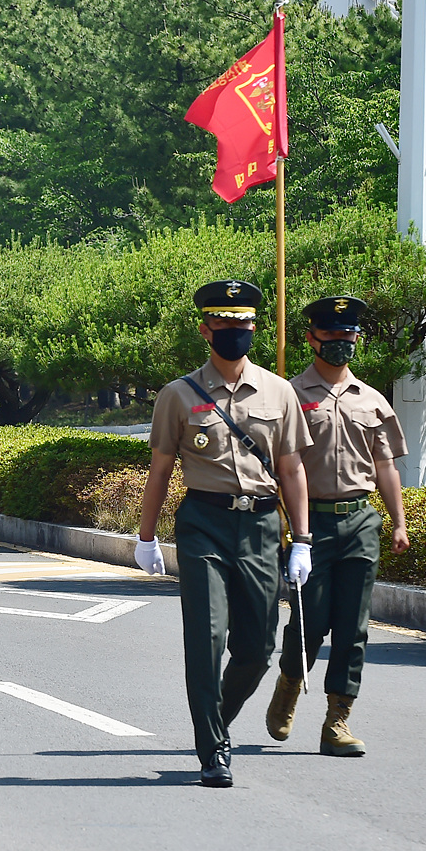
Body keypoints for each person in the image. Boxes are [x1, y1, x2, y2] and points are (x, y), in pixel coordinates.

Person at [134, 279, 312, 787]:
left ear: (254, 328)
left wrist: (302, 539)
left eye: (243, 324)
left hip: (260, 525)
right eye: (224, 324)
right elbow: (161, 469)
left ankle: (217, 721)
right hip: (203, 523)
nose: (235, 332)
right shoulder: (178, 395)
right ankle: (212, 747)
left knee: (256, 650)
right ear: (205, 329)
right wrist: (146, 538)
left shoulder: (280, 391)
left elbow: (293, 469)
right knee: (207, 637)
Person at [265, 296, 409, 757]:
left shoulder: (372, 399)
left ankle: (337, 721)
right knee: (310, 622)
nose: (341, 342)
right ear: (311, 338)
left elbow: (385, 466)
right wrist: (290, 530)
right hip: (314, 526)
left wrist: (397, 523)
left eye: (348, 335)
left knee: (354, 628)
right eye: (331, 335)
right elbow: (280, 467)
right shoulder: (289, 395)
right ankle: (289, 683)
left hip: (361, 520)